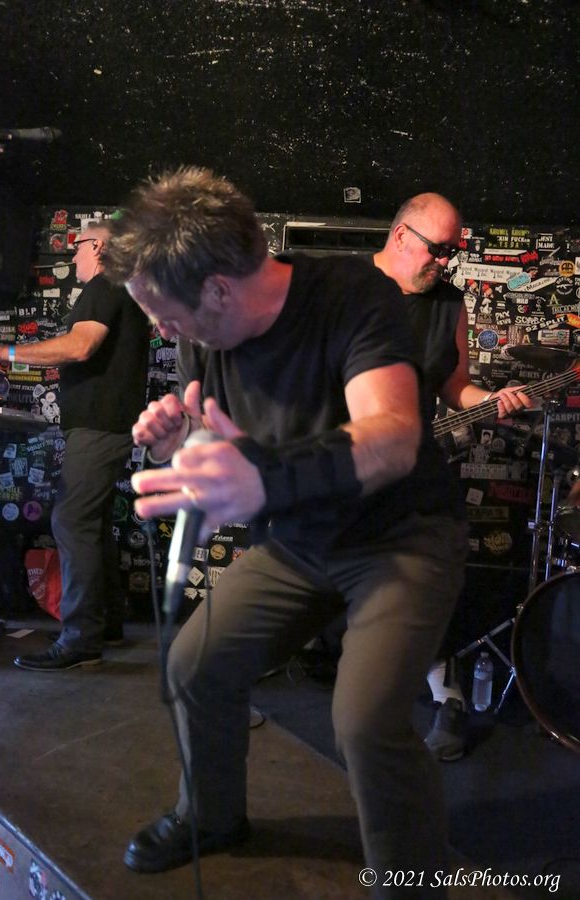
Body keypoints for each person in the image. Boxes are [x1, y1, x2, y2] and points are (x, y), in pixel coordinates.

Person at [102, 164, 469, 896]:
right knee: (193, 665)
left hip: (400, 537)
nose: (160, 330)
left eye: (164, 314)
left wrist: (267, 477)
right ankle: (210, 817)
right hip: (302, 542)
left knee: (364, 720)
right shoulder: (207, 336)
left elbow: (394, 437)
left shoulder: (352, 294)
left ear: (218, 289)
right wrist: (180, 441)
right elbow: (222, 437)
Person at [373, 192, 533, 760]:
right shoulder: (344, 289)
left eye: (451, 252)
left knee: (424, 579)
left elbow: (454, 386)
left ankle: (448, 697)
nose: (445, 262)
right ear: (401, 236)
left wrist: (491, 400)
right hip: (340, 466)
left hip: (412, 467)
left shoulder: (448, 304)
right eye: (437, 250)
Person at [0, 221, 149, 670]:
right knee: (92, 523)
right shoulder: (123, 290)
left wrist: (2, 353)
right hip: (109, 426)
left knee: (71, 520)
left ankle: (80, 642)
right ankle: (104, 624)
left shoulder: (105, 284)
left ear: (99, 247)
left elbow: (80, 347)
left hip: (97, 427)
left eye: (78, 247)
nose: (72, 256)